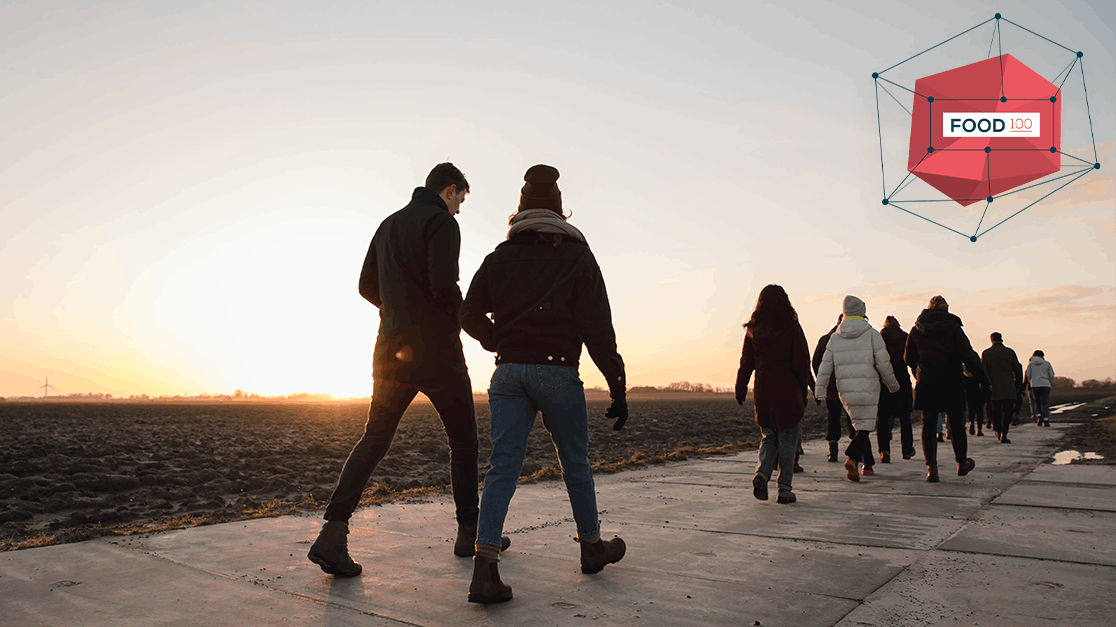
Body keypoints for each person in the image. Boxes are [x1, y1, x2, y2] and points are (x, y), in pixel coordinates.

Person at [308, 163, 509, 578]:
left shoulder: (388, 224)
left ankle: (332, 532)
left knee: (374, 441)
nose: (459, 211)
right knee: (463, 443)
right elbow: (443, 286)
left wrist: (397, 309)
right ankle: (468, 533)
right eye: (461, 202)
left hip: (390, 350)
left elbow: (366, 285)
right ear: (451, 191)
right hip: (437, 354)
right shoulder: (441, 223)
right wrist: (476, 329)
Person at [459, 164, 628, 604]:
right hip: (557, 372)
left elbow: (468, 313)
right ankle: (591, 547)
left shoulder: (499, 257)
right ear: (559, 212)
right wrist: (617, 384)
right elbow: (599, 329)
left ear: (520, 212)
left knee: (503, 467)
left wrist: (498, 339)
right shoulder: (578, 256)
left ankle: (485, 568)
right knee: (576, 463)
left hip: (509, 372)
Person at [735, 284, 814, 504]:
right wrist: (805, 389)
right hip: (788, 391)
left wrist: (740, 387)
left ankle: (762, 473)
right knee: (788, 440)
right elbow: (801, 363)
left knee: (768, 437)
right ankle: (785, 489)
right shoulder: (792, 327)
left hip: (764, 391)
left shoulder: (752, 330)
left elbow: (746, 363)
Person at [904, 295, 990, 482]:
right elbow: (969, 355)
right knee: (956, 424)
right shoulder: (953, 328)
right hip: (952, 381)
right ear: (946, 309)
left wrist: (917, 372)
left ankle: (932, 469)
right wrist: (984, 380)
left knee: (928, 424)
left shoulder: (917, 329)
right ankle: (961, 463)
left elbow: (908, 357)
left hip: (927, 382)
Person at [814, 296, 900, 482]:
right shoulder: (872, 334)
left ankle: (866, 465)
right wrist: (893, 385)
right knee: (865, 425)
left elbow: (825, 366)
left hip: (844, 389)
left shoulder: (835, 337)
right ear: (863, 312)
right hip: (869, 387)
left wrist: (819, 390)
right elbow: (883, 363)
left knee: (859, 424)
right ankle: (852, 455)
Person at [813, 314, 855, 462]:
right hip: (851, 385)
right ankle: (856, 450)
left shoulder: (825, 339)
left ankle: (833, 448)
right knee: (853, 417)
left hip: (832, 387)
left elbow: (816, 362)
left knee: (833, 417)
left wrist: (823, 379)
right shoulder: (855, 340)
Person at [877, 316, 915, 461]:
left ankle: (884, 450)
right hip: (902, 381)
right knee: (905, 419)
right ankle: (906, 450)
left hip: (884, 382)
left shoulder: (879, 338)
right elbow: (911, 358)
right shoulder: (906, 337)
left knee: (883, 419)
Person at [981, 332, 1023, 443]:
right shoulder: (1010, 352)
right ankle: (1004, 432)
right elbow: (1017, 369)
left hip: (993, 387)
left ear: (991, 340)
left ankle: (998, 430)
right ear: (1002, 339)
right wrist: (1018, 385)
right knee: (1008, 411)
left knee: (996, 411)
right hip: (1009, 387)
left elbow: (983, 371)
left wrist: (983, 386)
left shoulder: (986, 353)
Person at [1025, 350, 1055, 427]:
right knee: (1045, 402)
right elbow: (1052, 374)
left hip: (1034, 385)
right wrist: (1048, 381)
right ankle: (1046, 419)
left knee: (1037, 402)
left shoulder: (1031, 364)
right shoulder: (1047, 363)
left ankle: (1039, 418)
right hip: (1046, 385)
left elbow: (1027, 374)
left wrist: (1031, 381)